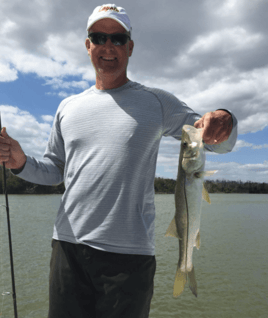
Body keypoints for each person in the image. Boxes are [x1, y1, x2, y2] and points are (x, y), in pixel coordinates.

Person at [0, 4, 238, 318]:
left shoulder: (156, 102)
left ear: (130, 46)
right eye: (99, 37)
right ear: (88, 46)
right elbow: (55, 171)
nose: (108, 46)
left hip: (129, 258)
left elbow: (210, 138)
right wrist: (19, 161)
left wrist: (226, 121)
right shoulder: (67, 107)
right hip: (67, 249)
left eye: (118, 38)